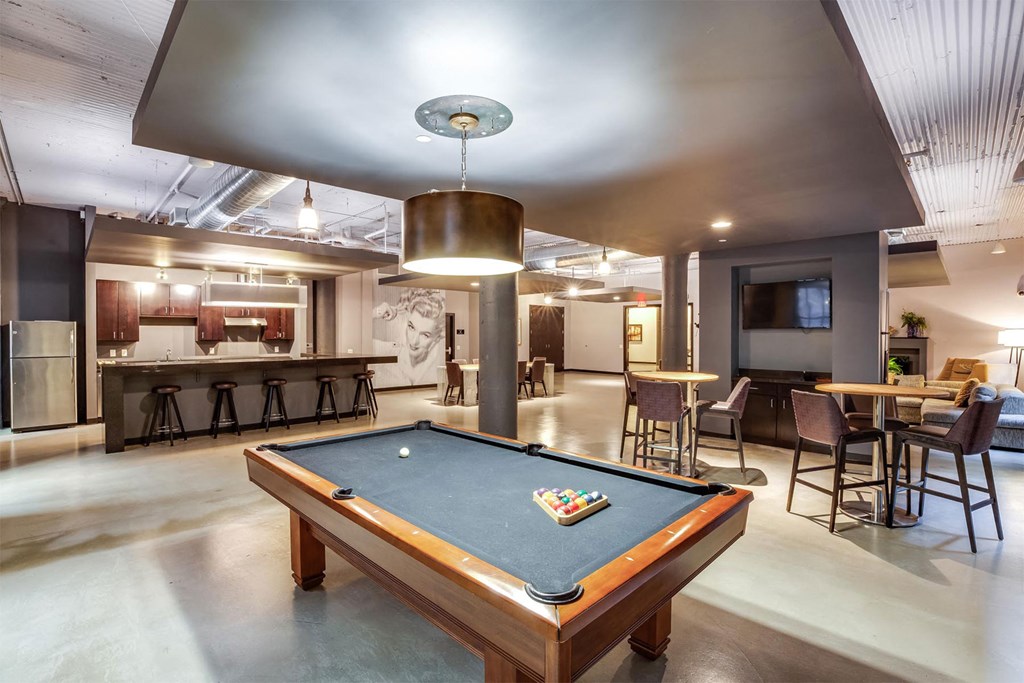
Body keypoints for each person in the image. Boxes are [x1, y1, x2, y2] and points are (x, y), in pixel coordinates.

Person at [372, 288, 445, 386]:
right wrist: (377, 312)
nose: (414, 341)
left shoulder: (438, 361)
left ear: (436, 339)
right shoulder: (390, 351)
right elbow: (351, 336)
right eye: (411, 327)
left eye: (425, 335)